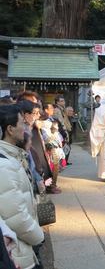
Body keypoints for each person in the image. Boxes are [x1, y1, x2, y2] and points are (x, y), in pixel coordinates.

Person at [0, 104, 45, 269]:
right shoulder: (4, 165)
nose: (25, 129)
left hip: (23, 243)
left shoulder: (13, 157)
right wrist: (38, 236)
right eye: (22, 124)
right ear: (10, 129)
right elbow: (16, 217)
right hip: (18, 248)